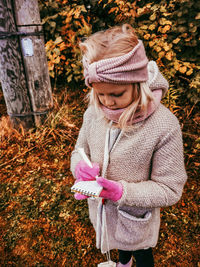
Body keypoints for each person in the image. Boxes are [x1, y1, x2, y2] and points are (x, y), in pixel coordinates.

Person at [70, 24, 187, 267]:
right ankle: (123, 262)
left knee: (141, 252)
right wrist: (80, 167)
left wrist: (122, 193)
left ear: (138, 83)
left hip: (135, 220)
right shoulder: (93, 112)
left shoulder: (164, 126)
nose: (107, 103)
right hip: (103, 215)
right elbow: (79, 149)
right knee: (117, 245)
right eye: (100, 94)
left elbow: (169, 189)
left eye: (116, 94)